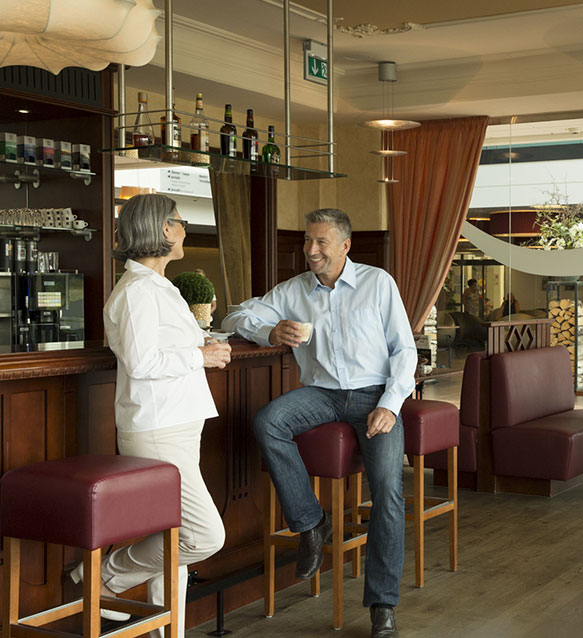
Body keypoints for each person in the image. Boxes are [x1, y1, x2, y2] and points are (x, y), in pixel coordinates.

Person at [222, 208, 415, 638]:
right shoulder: (294, 290)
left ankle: (382, 606)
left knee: (387, 492)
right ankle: (311, 522)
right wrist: (270, 331)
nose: (311, 250)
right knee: (269, 422)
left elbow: (404, 350)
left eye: (321, 242)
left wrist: (390, 404)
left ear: (345, 246)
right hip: (322, 394)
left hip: (374, 394)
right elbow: (235, 317)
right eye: (308, 241)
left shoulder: (378, 283)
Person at [88, 193, 230, 638]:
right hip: (157, 429)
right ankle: (106, 576)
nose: (185, 229)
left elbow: (162, 349)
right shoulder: (137, 292)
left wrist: (202, 347)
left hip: (177, 425)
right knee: (204, 536)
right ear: (165, 228)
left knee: (175, 537)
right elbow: (142, 362)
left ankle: (168, 633)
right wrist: (199, 356)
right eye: (181, 221)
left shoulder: (158, 287)